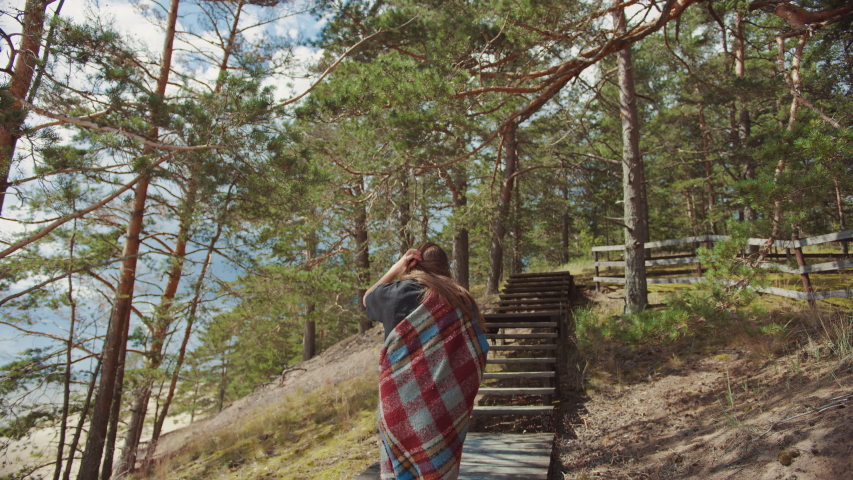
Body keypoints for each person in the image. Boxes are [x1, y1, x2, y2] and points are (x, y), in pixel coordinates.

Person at [364, 242, 489, 480]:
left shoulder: (397, 292)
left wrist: (395, 268)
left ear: (413, 264)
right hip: (446, 405)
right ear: (445, 267)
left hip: (398, 403)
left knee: (401, 468)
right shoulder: (461, 299)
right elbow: (478, 350)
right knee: (437, 470)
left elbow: (367, 299)